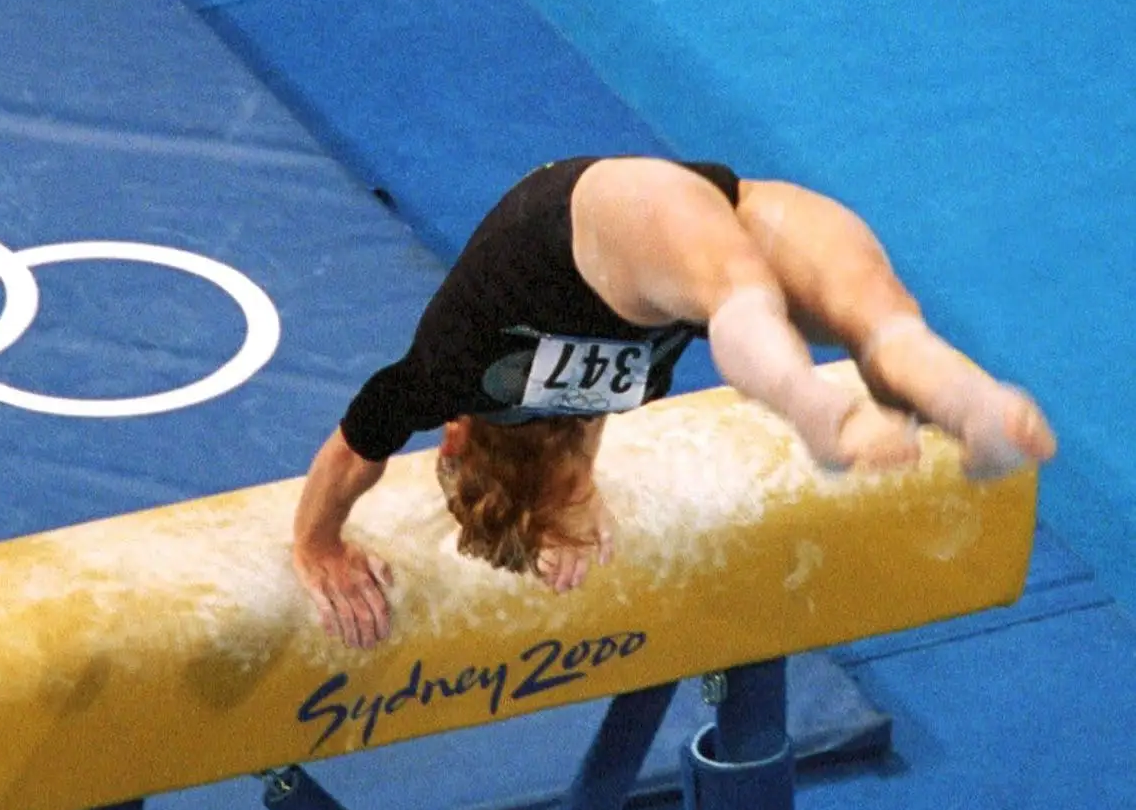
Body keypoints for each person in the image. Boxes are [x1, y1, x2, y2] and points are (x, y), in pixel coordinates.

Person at [291, 156, 1057, 649]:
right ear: (457, 444)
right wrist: (322, 533)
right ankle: (968, 402)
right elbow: (360, 447)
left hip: (609, 230)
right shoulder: (468, 382)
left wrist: (315, 550)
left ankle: (809, 403)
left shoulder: (468, 372)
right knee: (880, 324)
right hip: (705, 205)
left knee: (741, 299)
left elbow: (364, 449)